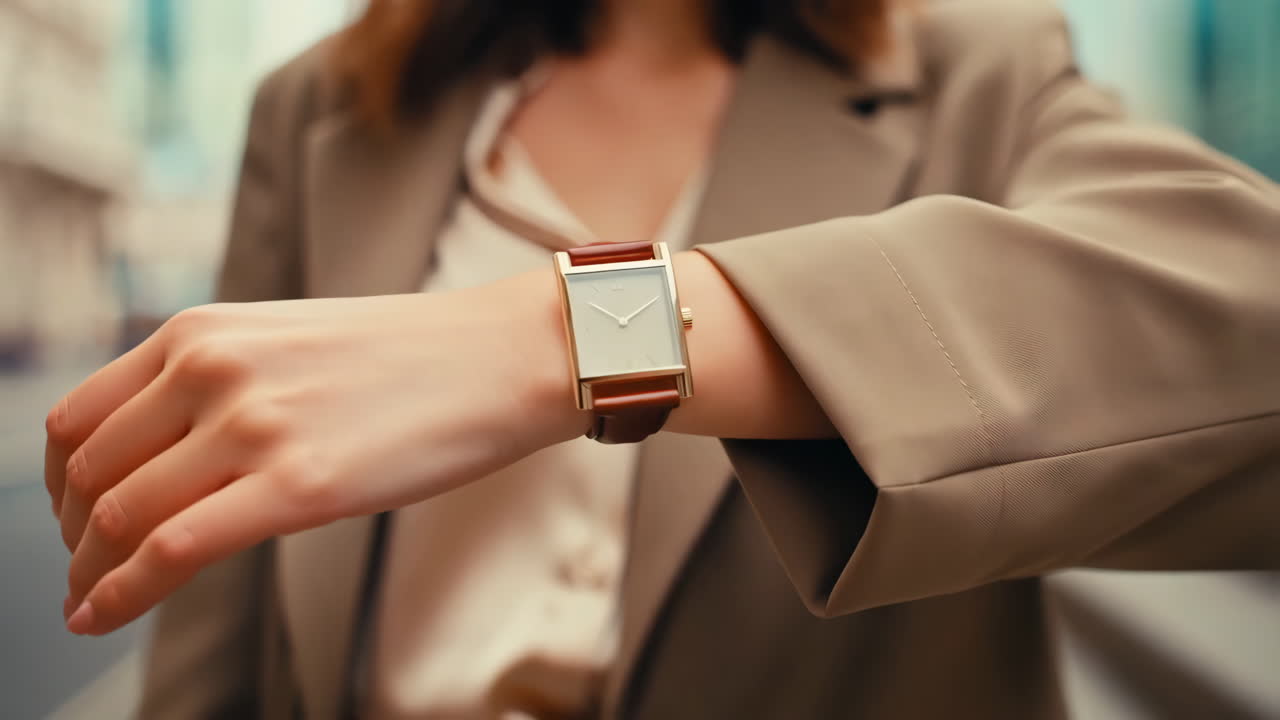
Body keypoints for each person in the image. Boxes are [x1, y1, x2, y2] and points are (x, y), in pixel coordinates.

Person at [43, 0, 1279, 717]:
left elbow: (1247, 315)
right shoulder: (323, 109)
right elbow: (209, 640)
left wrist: (551, 339)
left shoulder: (974, 71)